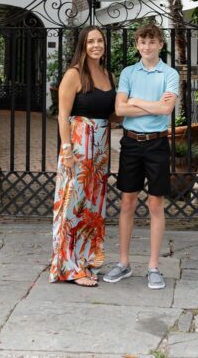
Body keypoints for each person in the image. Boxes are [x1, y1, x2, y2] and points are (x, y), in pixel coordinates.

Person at [103, 23, 179, 290]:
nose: (147, 46)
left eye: (152, 42)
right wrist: (151, 106)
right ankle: (123, 263)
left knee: (156, 205)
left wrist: (136, 101)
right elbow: (119, 109)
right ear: (137, 45)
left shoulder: (169, 74)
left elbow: (166, 109)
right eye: (142, 42)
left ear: (161, 44)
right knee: (127, 203)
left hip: (157, 145)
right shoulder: (128, 73)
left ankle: (154, 267)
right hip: (131, 144)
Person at [50, 26, 117, 287]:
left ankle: (86, 260)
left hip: (100, 149)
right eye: (91, 41)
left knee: (93, 207)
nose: (96, 45)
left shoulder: (107, 74)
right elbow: (62, 115)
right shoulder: (74, 74)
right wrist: (66, 149)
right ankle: (69, 267)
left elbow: (112, 113)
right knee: (73, 206)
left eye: (100, 40)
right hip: (78, 148)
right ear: (83, 45)